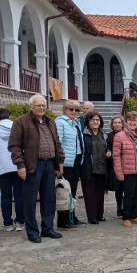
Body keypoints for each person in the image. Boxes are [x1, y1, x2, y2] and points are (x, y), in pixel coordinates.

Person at [8, 94, 65, 243]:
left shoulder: (50, 122)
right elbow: (14, 146)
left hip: (49, 164)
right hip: (32, 166)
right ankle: (32, 231)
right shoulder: (21, 122)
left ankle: (47, 228)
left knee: (49, 198)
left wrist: (60, 161)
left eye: (44, 105)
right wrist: (20, 165)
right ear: (31, 107)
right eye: (38, 105)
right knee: (30, 200)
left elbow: (57, 143)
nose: (41, 108)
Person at [55, 99, 85, 230]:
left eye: (76, 110)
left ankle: (71, 216)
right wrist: (59, 163)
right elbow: (58, 144)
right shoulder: (60, 123)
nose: (73, 112)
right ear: (65, 110)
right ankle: (63, 221)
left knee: (72, 192)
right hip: (66, 162)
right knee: (64, 192)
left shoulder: (75, 124)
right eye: (71, 109)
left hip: (76, 160)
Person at [80, 111, 110, 225]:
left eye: (97, 120)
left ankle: (99, 215)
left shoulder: (104, 134)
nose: (95, 122)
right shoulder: (84, 134)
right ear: (88, 121)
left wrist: (109, 152)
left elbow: (108, 147)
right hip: (89, 168)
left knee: (100, 193)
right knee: (89, 194)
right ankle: (92, 217)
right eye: (93, 120)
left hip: (102, 167)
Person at [107, 115, 125, 217]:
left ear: (122, 124)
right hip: (115, 164)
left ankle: (126, 206)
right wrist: (109, 152)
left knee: (127, 187)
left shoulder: (127, 134)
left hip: (126, 163)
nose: (117, 124)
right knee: (119, 188)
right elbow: (108, 147)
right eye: (115, 122)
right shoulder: (109, 136)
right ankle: (119, 207)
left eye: (119, 122)